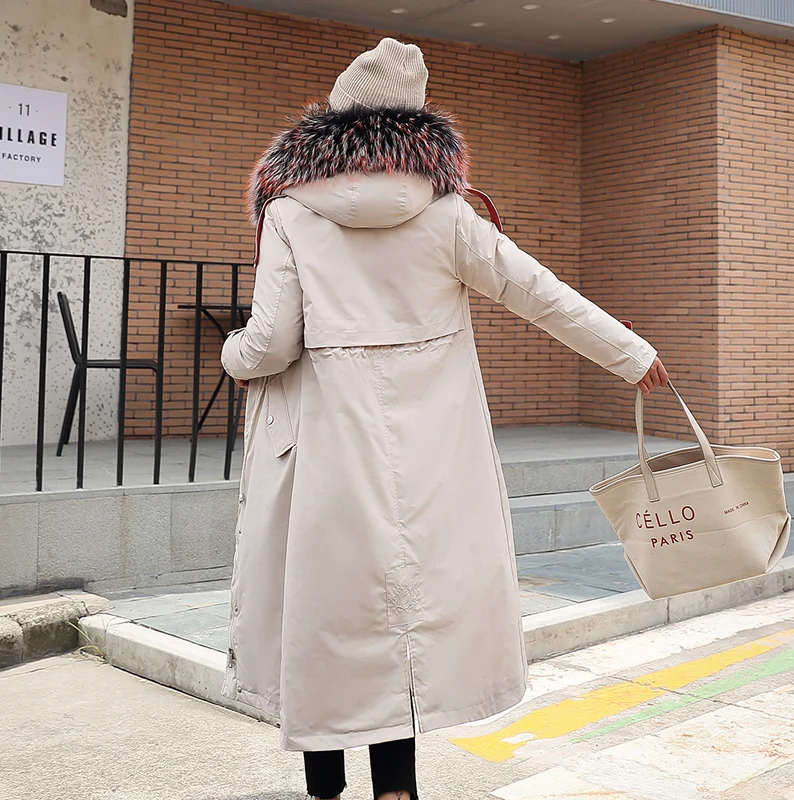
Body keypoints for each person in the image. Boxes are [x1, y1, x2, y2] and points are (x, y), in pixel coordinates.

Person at [220, 37, 668, 800]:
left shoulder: (290, 212)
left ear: (335, 121)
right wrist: (631, 355)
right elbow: (539, 293)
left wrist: (232, 354)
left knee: (325, 609)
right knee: (401, 618)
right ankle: (397, 789)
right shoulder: (449, 215)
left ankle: (324, 786)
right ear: (416, 125)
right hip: (427, 458)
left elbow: (270, 344)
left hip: (324, 451)